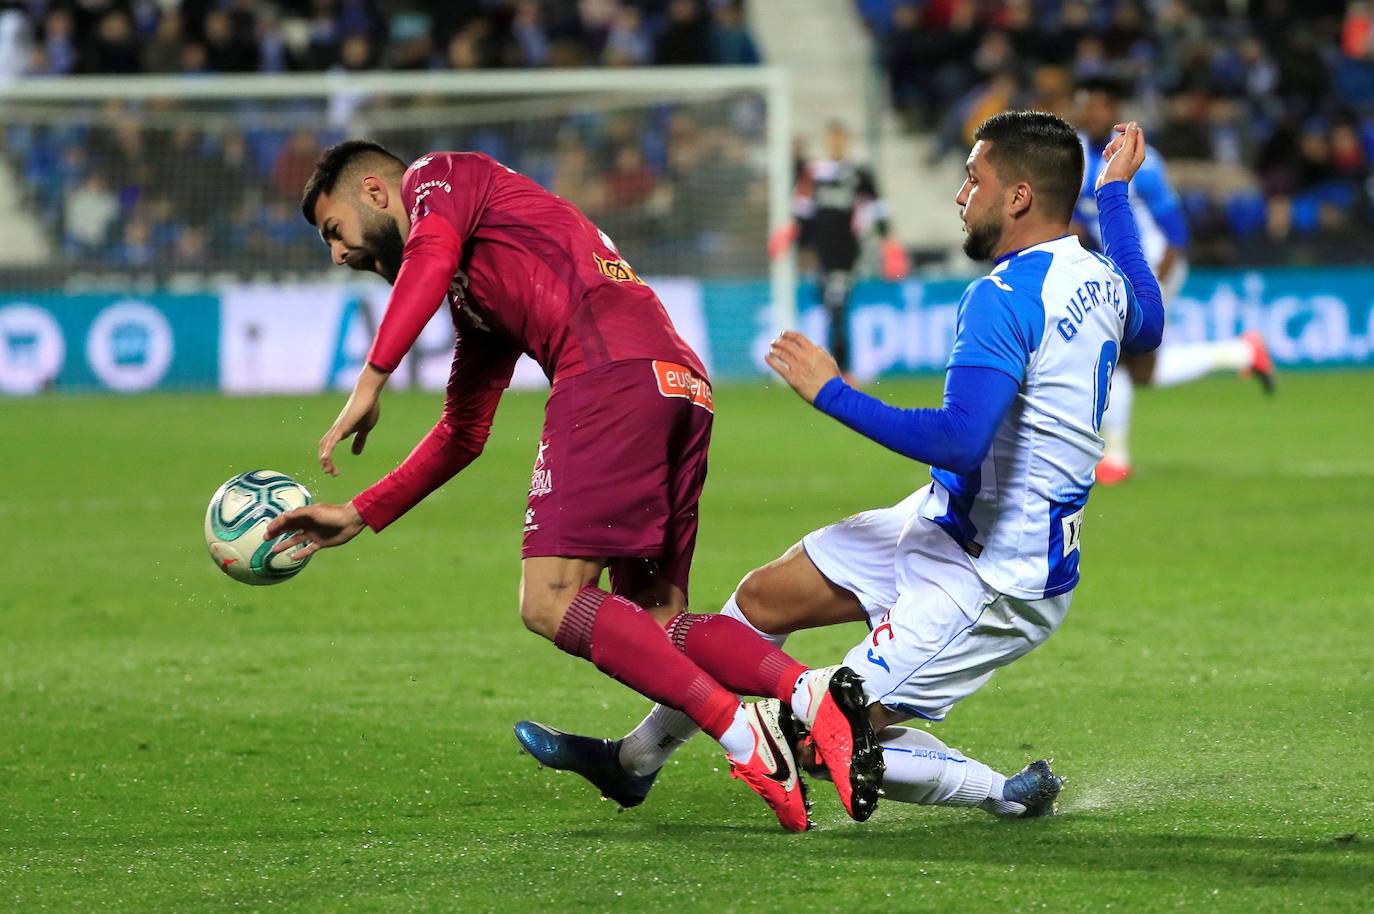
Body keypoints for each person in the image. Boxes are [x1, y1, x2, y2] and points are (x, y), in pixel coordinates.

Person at [517, 112, 1165, 822]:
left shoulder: (1003, 299)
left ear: (1016, 197)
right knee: (762, 598)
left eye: (972, 179)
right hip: (944, 522)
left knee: (812, 734)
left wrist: (831, 393)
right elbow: (1150, 324)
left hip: (996, 577)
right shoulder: (1097, 273)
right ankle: (633, 761)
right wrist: (1113, 195)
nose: (959, 196)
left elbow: (958, 439)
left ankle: (1005, 795)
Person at [263, 141, 883, 832]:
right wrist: (358, 511)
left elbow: (428, 258)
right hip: (679, 384)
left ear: (377, 193)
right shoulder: (479, 286)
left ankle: (747, 737)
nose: (338, 255)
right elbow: (463, 433)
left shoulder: (438, 176)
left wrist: (372, 379)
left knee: (550, 601)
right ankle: (811, 692)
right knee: (653, 627)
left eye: (333, 232)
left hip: (608, 373)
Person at [1073, 77, 1274, 484]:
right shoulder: (1074, 155)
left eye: (1097, 106)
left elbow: (1175, 233)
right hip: (1118, 271)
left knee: (1117, 361)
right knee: (1138, 371)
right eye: (1083, 105)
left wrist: (1155, 286)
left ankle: (1115, 458)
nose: (1089, 114)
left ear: (1113, 110)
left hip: (1153, 268)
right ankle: (1240, 352)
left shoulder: (1142, 162)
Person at [772, 121, 909, 377]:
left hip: (846, 254)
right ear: (826, 141)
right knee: (829, 310)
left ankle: (842, 371)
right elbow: (801, 210)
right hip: (820, 254)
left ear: (846, 141)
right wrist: (789, 234)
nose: (836, 143)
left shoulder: (859, 173)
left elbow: (878, 208)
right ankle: (835, 368)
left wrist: (889, 242)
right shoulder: (813, 173)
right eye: (832, 138)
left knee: (837, 309)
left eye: (840, 139)